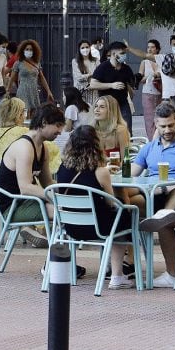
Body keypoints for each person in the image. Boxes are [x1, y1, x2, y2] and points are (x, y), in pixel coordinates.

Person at [56, 124, 134, 290]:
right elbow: (111, 202)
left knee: (116, 218)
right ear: (96, 144)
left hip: (70, 228)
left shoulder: (62, 169)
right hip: (98, 228)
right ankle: (117, 275)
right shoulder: (100, 172)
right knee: (125, 216)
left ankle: (110, 269)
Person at [128, 101, 175, 287]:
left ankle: (172, 275)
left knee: (166, 217)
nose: (167, 130)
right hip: (153, 195)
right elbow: (132, 175)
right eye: (162, 126)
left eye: (171, 125)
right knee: (125, 202)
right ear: (155, 124)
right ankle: (120, 268)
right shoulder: (149, 148)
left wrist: (169, 187)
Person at [0, 104, 66, 247]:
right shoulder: (24, 147)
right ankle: (59, 254)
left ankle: (54, 243)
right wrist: (56, 198)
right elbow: (25, 187)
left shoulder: (43, 147)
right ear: (44, 122)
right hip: (12, 206)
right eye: (58, 126)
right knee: (66, 212)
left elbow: (47, 183)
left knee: (70, 209)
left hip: (28, 202)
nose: (60, 131)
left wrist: (66, 193)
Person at [89, 41, 135, 135]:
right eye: (122, 53)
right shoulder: (103, 67)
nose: (124, 56)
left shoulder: (126, 68)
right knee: (107, 131)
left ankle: (126, 149)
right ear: (113, 54)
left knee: (127, 131)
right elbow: (93, 84)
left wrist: (131, 91)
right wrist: (111, 85)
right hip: (107, 104)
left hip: (123, 103)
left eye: (124, 53)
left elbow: (130, 83)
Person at [8, 39, 56, 115]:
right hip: (23, 91)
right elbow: (12, 78)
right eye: (27, 49)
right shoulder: (18, 63)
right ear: (22, 50)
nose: (29, 51)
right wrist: (8, 90)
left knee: (34, 113)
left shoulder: (37, 63)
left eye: (31, 49)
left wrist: (48, 91)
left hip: (34, 91)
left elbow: (42, 78)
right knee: (24, 112)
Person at [136, 39, 163, 140]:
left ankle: (160, 139)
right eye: (148, 47)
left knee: (160, 117)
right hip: (148, 93)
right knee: (149, 119)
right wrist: (149, 77)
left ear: (157, 49)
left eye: (152, 47)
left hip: (161, 93)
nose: (150, 49)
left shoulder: (161, 60)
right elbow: (140, 79)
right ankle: (152, 141)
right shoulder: (144, 62)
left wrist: (158, 77)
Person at [71, 40, 97, 105]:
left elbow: (100, 73)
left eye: (87, 47)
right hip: (81, 92)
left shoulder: (95, 60)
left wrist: (88, 76)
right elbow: (78, 77)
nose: (85, 49)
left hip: (94, 91)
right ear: (79, 49)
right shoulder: (75, 61)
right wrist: (91, 74)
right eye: (82, 48)